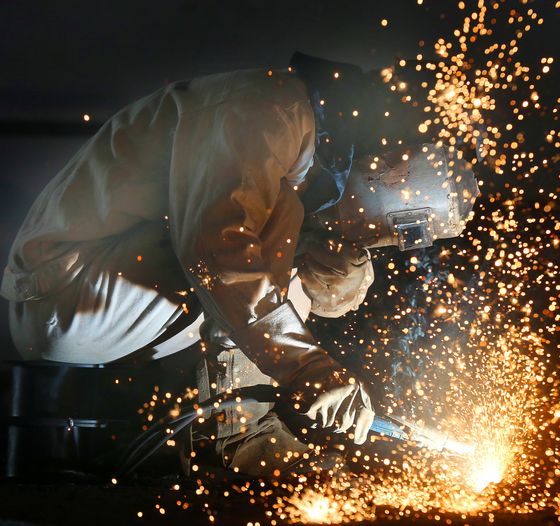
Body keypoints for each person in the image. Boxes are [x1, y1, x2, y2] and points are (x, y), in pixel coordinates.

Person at [1, 53, 477, 476]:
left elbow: (325, 300)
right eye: (405, 226)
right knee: (273, 219)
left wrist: (341, 255)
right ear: (392, 165)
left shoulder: (317, 161)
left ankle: (230, 424)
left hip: (127, 313)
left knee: (287, 227)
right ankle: (239, 434)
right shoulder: (267, 110)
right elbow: (216, 249)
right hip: (63, 295)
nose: (390, 239)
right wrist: (307, 367)